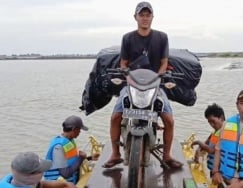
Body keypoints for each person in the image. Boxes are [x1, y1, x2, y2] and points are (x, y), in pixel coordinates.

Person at [103, 1, 183, 169]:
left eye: (148, 15)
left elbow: (164, 62)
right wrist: (125, 72)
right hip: (132, 84)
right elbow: (123, 63)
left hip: (155, 85)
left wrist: (161, 74)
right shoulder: (128, 38)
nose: (145, 18)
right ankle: (115, 153)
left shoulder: (161, 37)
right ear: (135, 17)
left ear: (152, 17)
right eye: (142, 15)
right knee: (115, 116)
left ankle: (167, 155)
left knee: (169, 119)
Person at [44, 115, 93, 184]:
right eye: (79, 129)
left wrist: (90, 158)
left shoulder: (69, 141)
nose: (80, 132)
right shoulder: (58, 147)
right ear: (74, 129)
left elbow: (71, 161)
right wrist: (81, 158)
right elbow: (65, 174)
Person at [0, 151, 76, 188]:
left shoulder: (12, 179)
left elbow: (41, 184)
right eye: (40, 170)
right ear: (31, 176)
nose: (43, 172)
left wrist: (65, 184)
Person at [191, 103, 225, 176]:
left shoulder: (224, 132)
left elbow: (211, 150)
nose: (212, 125)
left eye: (213, 121)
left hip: (219, 171)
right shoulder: (215, 131)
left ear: (221, 118)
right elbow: (206, 143)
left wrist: (198, 142)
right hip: (212, 169)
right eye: (209, 122)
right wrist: (198, 150)